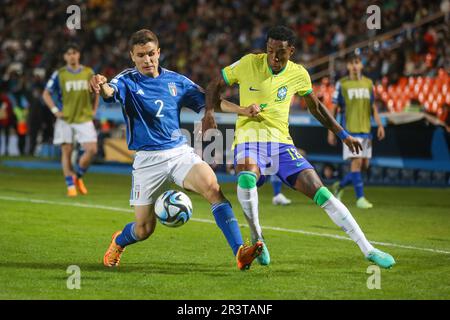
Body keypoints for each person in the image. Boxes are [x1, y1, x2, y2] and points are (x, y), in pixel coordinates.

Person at [203, 26, 395, 269]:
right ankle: (257, 237)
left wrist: (343, 134)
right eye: (270, 51)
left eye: (280, 53)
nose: (274, 57)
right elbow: (213, 85)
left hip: (282, 144)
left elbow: (316, 108)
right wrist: (209, 112)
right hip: (249, 139)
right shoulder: (249, 63)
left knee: (321, 191)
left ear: (291, 51)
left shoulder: (299, 74)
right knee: (247, 178)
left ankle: (368, 249)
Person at [90, 29, 263, 270]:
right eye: (141, 55)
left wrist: (242, 110)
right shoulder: (127, 80)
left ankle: (240, 252)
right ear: (132, 56)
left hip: (178, 153)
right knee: (143, 229)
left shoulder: (177, 81)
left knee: (212, 186)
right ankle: (119, 241)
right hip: (147, 161)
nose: (147, 60)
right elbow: (110, 92)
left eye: (151, 54)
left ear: (159, 52)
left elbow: (209, 101)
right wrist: (101, 84)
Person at [328, 53, 385, 209]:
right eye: (351, 63)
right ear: (347, 66)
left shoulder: (368, 83)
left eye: (357, 62)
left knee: (364, 165)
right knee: (357, 162)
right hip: (350, 131)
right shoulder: (342, 84)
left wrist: (379, 125)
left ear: (361, 65)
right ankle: (360, 198)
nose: (354, 66)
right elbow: (334, 108)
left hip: (366, 129)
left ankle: (340, 185)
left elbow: (373, 106)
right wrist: (331, 131)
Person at [42, 43, 99, 197]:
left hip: (84, 118)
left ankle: (78, 177)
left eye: (74, 52)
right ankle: (70, 185)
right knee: (66, 151)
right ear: (65, 57)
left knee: (92, 149)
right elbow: (46, 93)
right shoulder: (59, 74)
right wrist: (55, 111)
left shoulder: (88, 72)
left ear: (78, 54)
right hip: (65, 118)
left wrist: (94, 109)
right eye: (68, 53)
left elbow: (96, 91)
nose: (72, 56)